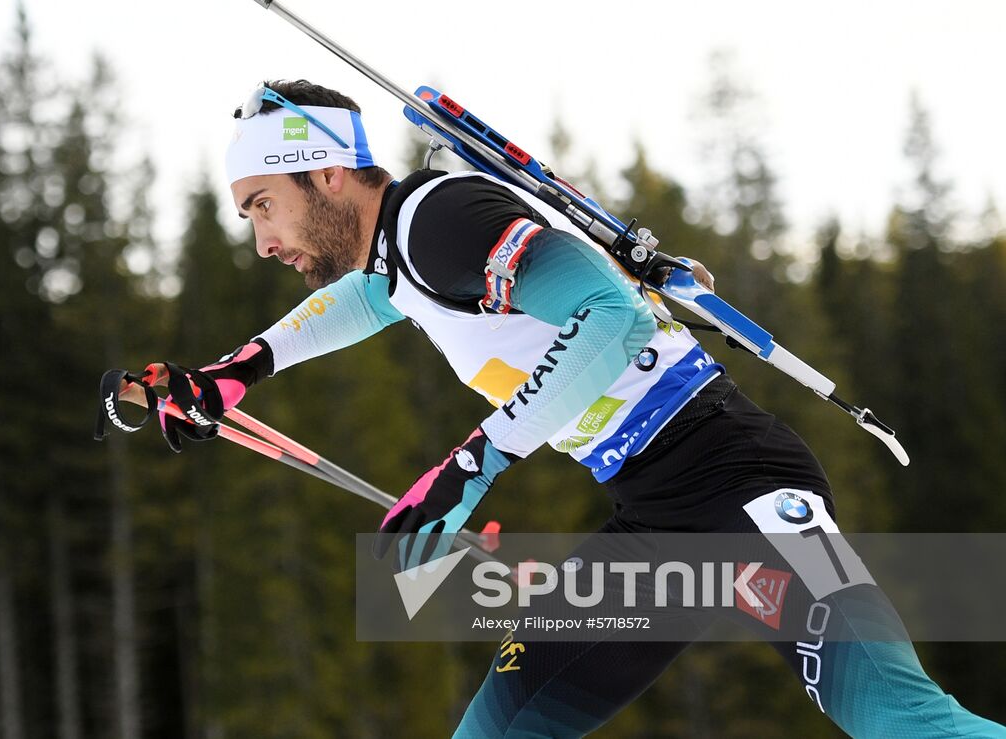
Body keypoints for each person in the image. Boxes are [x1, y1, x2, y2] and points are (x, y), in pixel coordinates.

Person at [145, 79, 1004, 737]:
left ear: (324, 172)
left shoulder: (439, 217)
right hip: (653, 515)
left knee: (898, 718)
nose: (262, 240)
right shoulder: (403, 257)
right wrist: (235, 371)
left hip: (736, 484)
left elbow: (613, 314)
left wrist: (470, 467)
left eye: (264, 205)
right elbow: (371, 300)